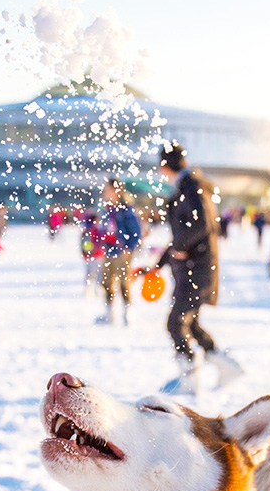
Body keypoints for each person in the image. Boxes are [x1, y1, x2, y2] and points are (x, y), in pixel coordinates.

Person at [153, 142, 243, 395]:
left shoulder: (191, 186)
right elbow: (185, 232)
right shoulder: (189, 185)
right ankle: (228, 367)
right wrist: (159, 264)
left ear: (164, 165)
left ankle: (191, 378)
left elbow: (202, 224)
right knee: (189, 325)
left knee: (175, 324)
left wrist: (180, 247)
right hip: (194, 268)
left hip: (197, 269)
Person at [96, 178, 141, 326]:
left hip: (122, 251)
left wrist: (129, 247)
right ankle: (109, 313)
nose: (105, 193)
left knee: (124, 282)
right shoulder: (107, 210)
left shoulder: (125, 210)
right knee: (106, 282)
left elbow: (136, 231)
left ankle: (128, 313)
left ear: (117, 191)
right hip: (109, 250)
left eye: (108, 190)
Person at [79, 211, 104, 298]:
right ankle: (98, 290)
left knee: (90, 273)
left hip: (90, 255)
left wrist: (85, 253)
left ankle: (89, 290)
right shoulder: (97, 229)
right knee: (98, 274)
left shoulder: (86, 229)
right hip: (97, 254)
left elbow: (83, 243)